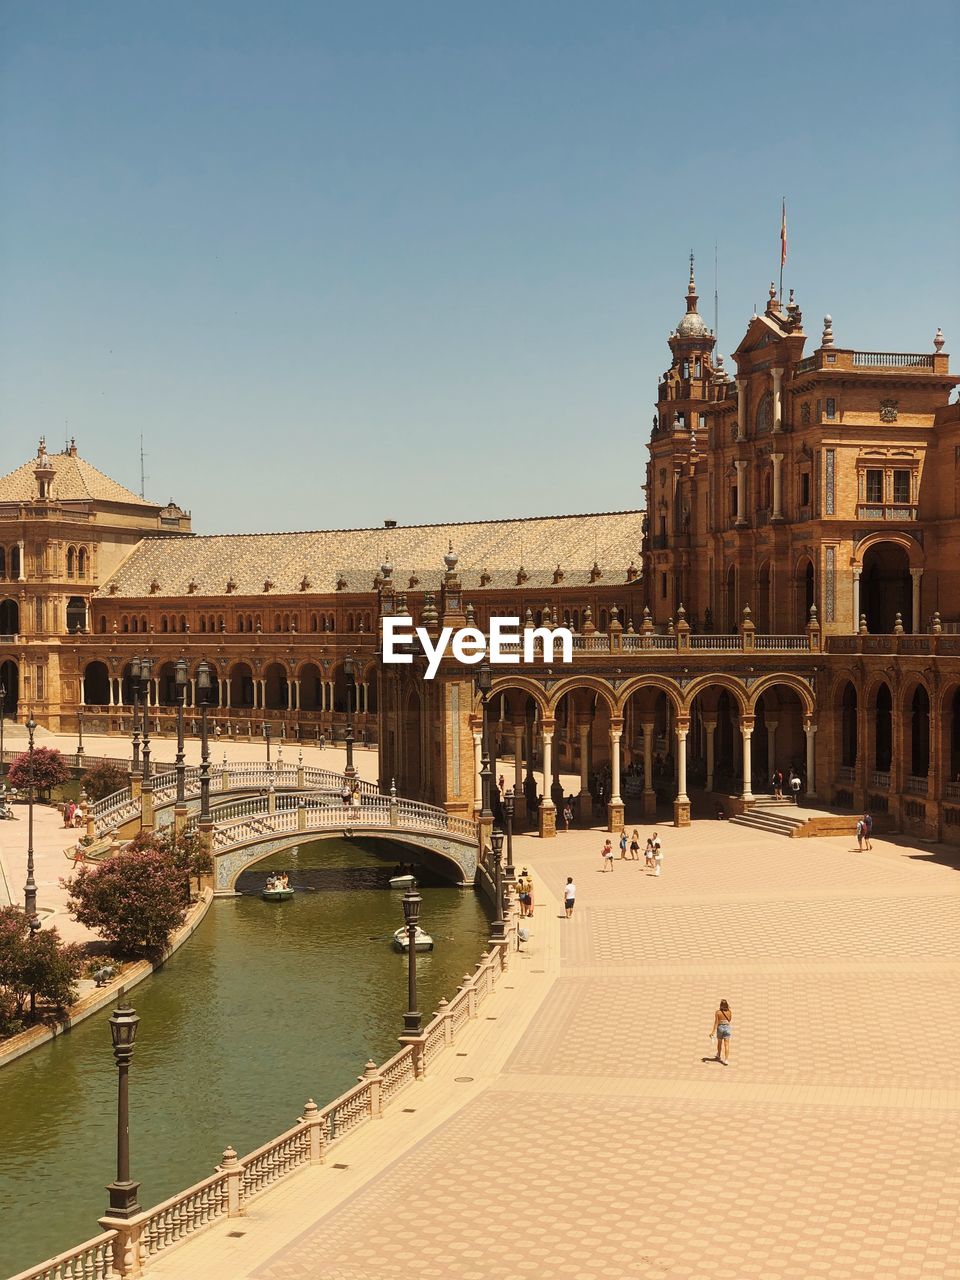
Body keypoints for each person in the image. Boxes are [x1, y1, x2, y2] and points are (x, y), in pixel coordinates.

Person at [710, 999, 733, 1064]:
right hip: (727, 1028)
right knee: (727, 1044)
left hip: (720, 1028)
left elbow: (716, 1022)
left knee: (719, 1043)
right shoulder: (729, 1012)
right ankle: (726, 1060)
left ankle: (719, 1055)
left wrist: (713, 1032)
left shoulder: (718, 1012)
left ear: (720, 1005)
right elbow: (730, 1020)